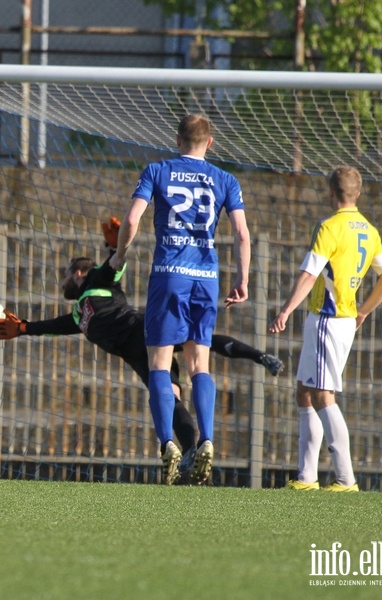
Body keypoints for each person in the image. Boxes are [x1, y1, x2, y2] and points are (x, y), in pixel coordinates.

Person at [0, 217, 277, 484]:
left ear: (79, 273)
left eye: (66, 274)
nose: (62, 282)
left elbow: (117, 262)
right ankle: (191, 454)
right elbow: (56, 326)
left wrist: (116, 246)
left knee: (198, 343)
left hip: (142, 330)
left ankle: (258, 356)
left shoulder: (99, 280)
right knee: (172, 397)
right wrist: (23, 328)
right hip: (135, 354)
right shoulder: (78, 312)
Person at [108, 114, 251, 486]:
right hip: (206, 277)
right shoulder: (225, 179)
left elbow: (133, 218)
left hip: (169, 275)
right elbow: (241, 233)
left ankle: (168, 442)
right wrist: (243, 278)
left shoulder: (157, 171)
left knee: (158, 362)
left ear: (177, 139)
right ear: (211, 142)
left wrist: (120, 255)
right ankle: (206, 438)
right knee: (199, 363)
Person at [269, 166, 382, 492]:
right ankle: (306, 478)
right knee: (304, 390)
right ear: (357, 192)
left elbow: (310, 274)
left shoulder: (329, 227)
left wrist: (285, 309)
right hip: (344, 320)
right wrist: (364, 310)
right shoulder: (369, 230)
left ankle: (346, 480)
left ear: (330, 192)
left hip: (327, 318)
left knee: (324, 395)